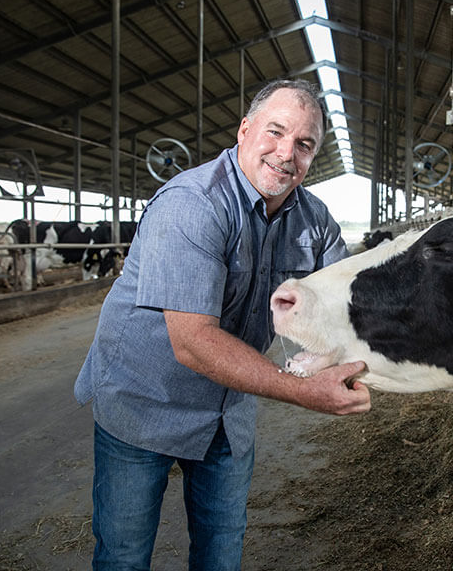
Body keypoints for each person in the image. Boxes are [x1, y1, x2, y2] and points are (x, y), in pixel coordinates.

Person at [74, 78, 371, 571]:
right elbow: (192, 343)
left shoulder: (315, 221)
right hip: (144, 397)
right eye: (275, 133)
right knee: (124, 552)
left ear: (314, 155)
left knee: (222, 546)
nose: (285, 154)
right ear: (243, 131)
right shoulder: (192, 204)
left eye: (304, 144)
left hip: (225, 411)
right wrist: (303, 389)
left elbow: (348, 301)